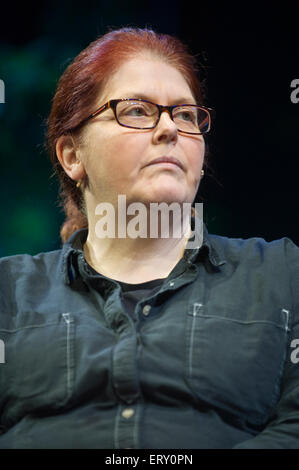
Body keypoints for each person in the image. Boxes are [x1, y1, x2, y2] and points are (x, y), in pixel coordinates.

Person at [0, 27, 298, 450]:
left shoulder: (284, 277)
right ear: (72, 156)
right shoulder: (7, 295)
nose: (169, 129)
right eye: (137, 111)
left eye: (185, 114)